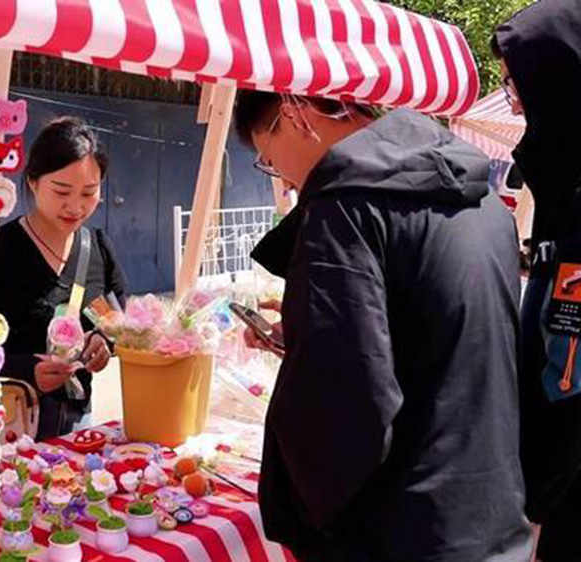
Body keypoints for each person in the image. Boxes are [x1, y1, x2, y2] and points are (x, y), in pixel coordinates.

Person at [236, 91, 531, 561]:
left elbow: (345, 401)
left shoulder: (345, 208)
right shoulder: (483, 201)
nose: (286, 181)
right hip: (487, 512)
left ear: (293, 113)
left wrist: (303, 517)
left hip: (398, 530)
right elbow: (441, 337)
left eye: (269, 160)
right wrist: (306, 329)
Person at [492, 2, 581, 559]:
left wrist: (536, 512)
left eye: (517, 84)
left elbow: (572, 381)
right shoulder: (560, 186)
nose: (514, 100)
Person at [0, 117, 127, 440]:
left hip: (78, 427)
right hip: (8, 428)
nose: (75, 207)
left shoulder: (97, 248)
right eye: (62, 191)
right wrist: (25, 369)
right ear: (33, 181)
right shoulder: (0, 251)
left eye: (89, 193)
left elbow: (115, 313)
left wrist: (104, 340)